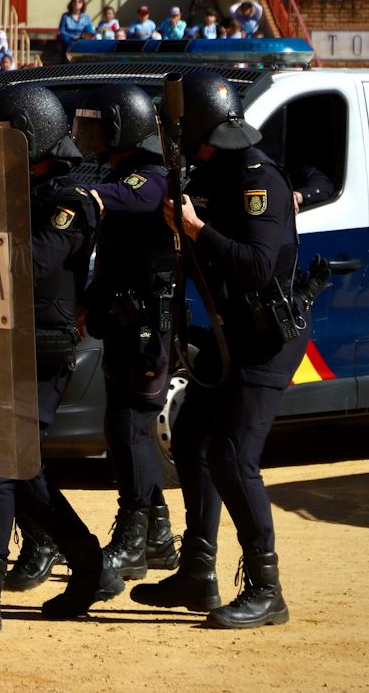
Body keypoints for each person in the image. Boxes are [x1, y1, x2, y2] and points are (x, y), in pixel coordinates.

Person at [0, 84, 124, 632]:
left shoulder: (69, 201)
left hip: (41, 347)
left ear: (25, 140)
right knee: (20, 471)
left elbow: (29, 264)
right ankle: (90, 565)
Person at [138, 69, 307, 629]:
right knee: (191, 436)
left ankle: (266, 587)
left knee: (234, 456)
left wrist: (196, 230)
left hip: (267, 338)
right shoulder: (209, 171)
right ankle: (198, 571)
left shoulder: (259, 177)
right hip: (229, 331)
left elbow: (259, 267)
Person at [74, 83, 180, 582]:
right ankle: (157, 535)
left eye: (99, 125)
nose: (89, 136)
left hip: (147, 328)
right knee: (123, 430)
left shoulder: (152, 177)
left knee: (131, 428)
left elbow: (122, 198)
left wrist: (77, 192)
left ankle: (133, 539)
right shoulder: (118, 173)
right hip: (120, 320)